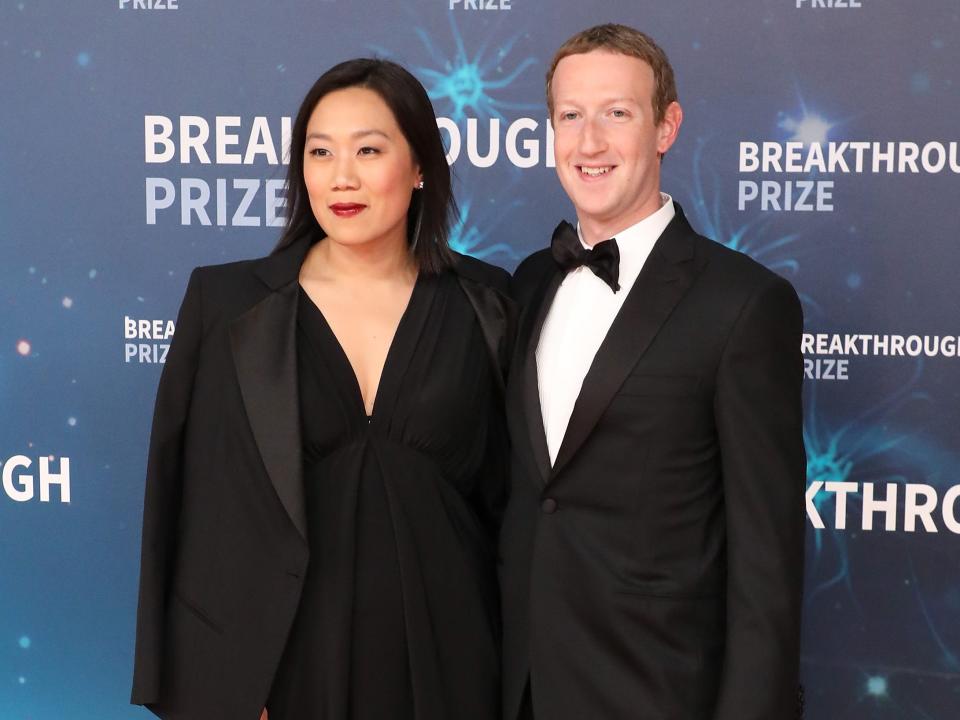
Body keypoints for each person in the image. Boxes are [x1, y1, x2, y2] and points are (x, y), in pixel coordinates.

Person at [131, 58, 514, 720]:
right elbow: (182, 507)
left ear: (421, 166)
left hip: (452, 661)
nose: (342, 176)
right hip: (280, 671)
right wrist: (220, 686)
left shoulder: (492, 305)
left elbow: (518, 510)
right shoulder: (225, 305)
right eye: (320, 151)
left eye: (369, 149)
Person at [500, 24, 806, 720]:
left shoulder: (744, 305)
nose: (590, 142)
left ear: (666, 127)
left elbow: (768, 563)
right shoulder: (524, 286)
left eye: (618, 113)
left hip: (660, 692)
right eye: (571, 117)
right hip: (522, 688)